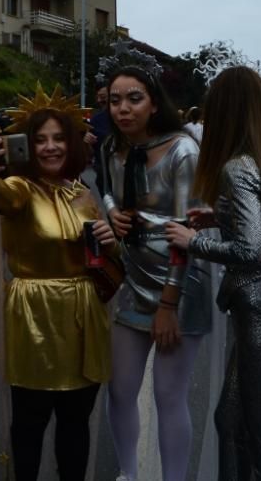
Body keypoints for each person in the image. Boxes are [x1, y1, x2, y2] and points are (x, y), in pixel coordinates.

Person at [166, 66, 261, 481]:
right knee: (231, 423)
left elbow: (250, 249)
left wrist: (191, 241)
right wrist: (218, 215)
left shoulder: (238, 167)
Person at [0, 83, 115, 481]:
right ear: (26, 146)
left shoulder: (82, 192)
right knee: (30, 420)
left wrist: (109, 240)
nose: (50, 147)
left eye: (59, 138)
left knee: (76, 419)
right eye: (40, 140)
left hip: (85, 312)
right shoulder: (20, 189)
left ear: (72, 143)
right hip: (35, 313)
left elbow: (105, 259)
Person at [97, 64, 210, 481]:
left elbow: (188, 234)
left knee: (168, 394)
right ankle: (128, 472)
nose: (123, 108)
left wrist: (168, 305)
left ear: (154, 102)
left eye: (134, 98)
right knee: (121, 390)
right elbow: (108, 188)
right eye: (115, 100)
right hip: (132, 280)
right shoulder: (112, 147)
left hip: (180, 285)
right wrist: (112, 211)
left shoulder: (184, 151)